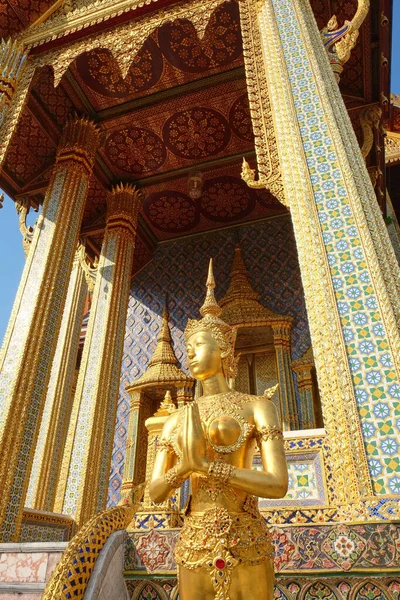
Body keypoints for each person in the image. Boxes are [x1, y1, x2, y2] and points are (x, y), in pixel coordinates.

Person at [149, 259, 288, 600]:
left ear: (224, 348)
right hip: (194, 539)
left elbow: (278, 484)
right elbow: (154, 494)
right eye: (188, 348)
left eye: (199, 346)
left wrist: (208, 467)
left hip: (246, 539)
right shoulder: (177, 418)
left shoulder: (258, 406)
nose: (191, 354)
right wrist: (185, 467)